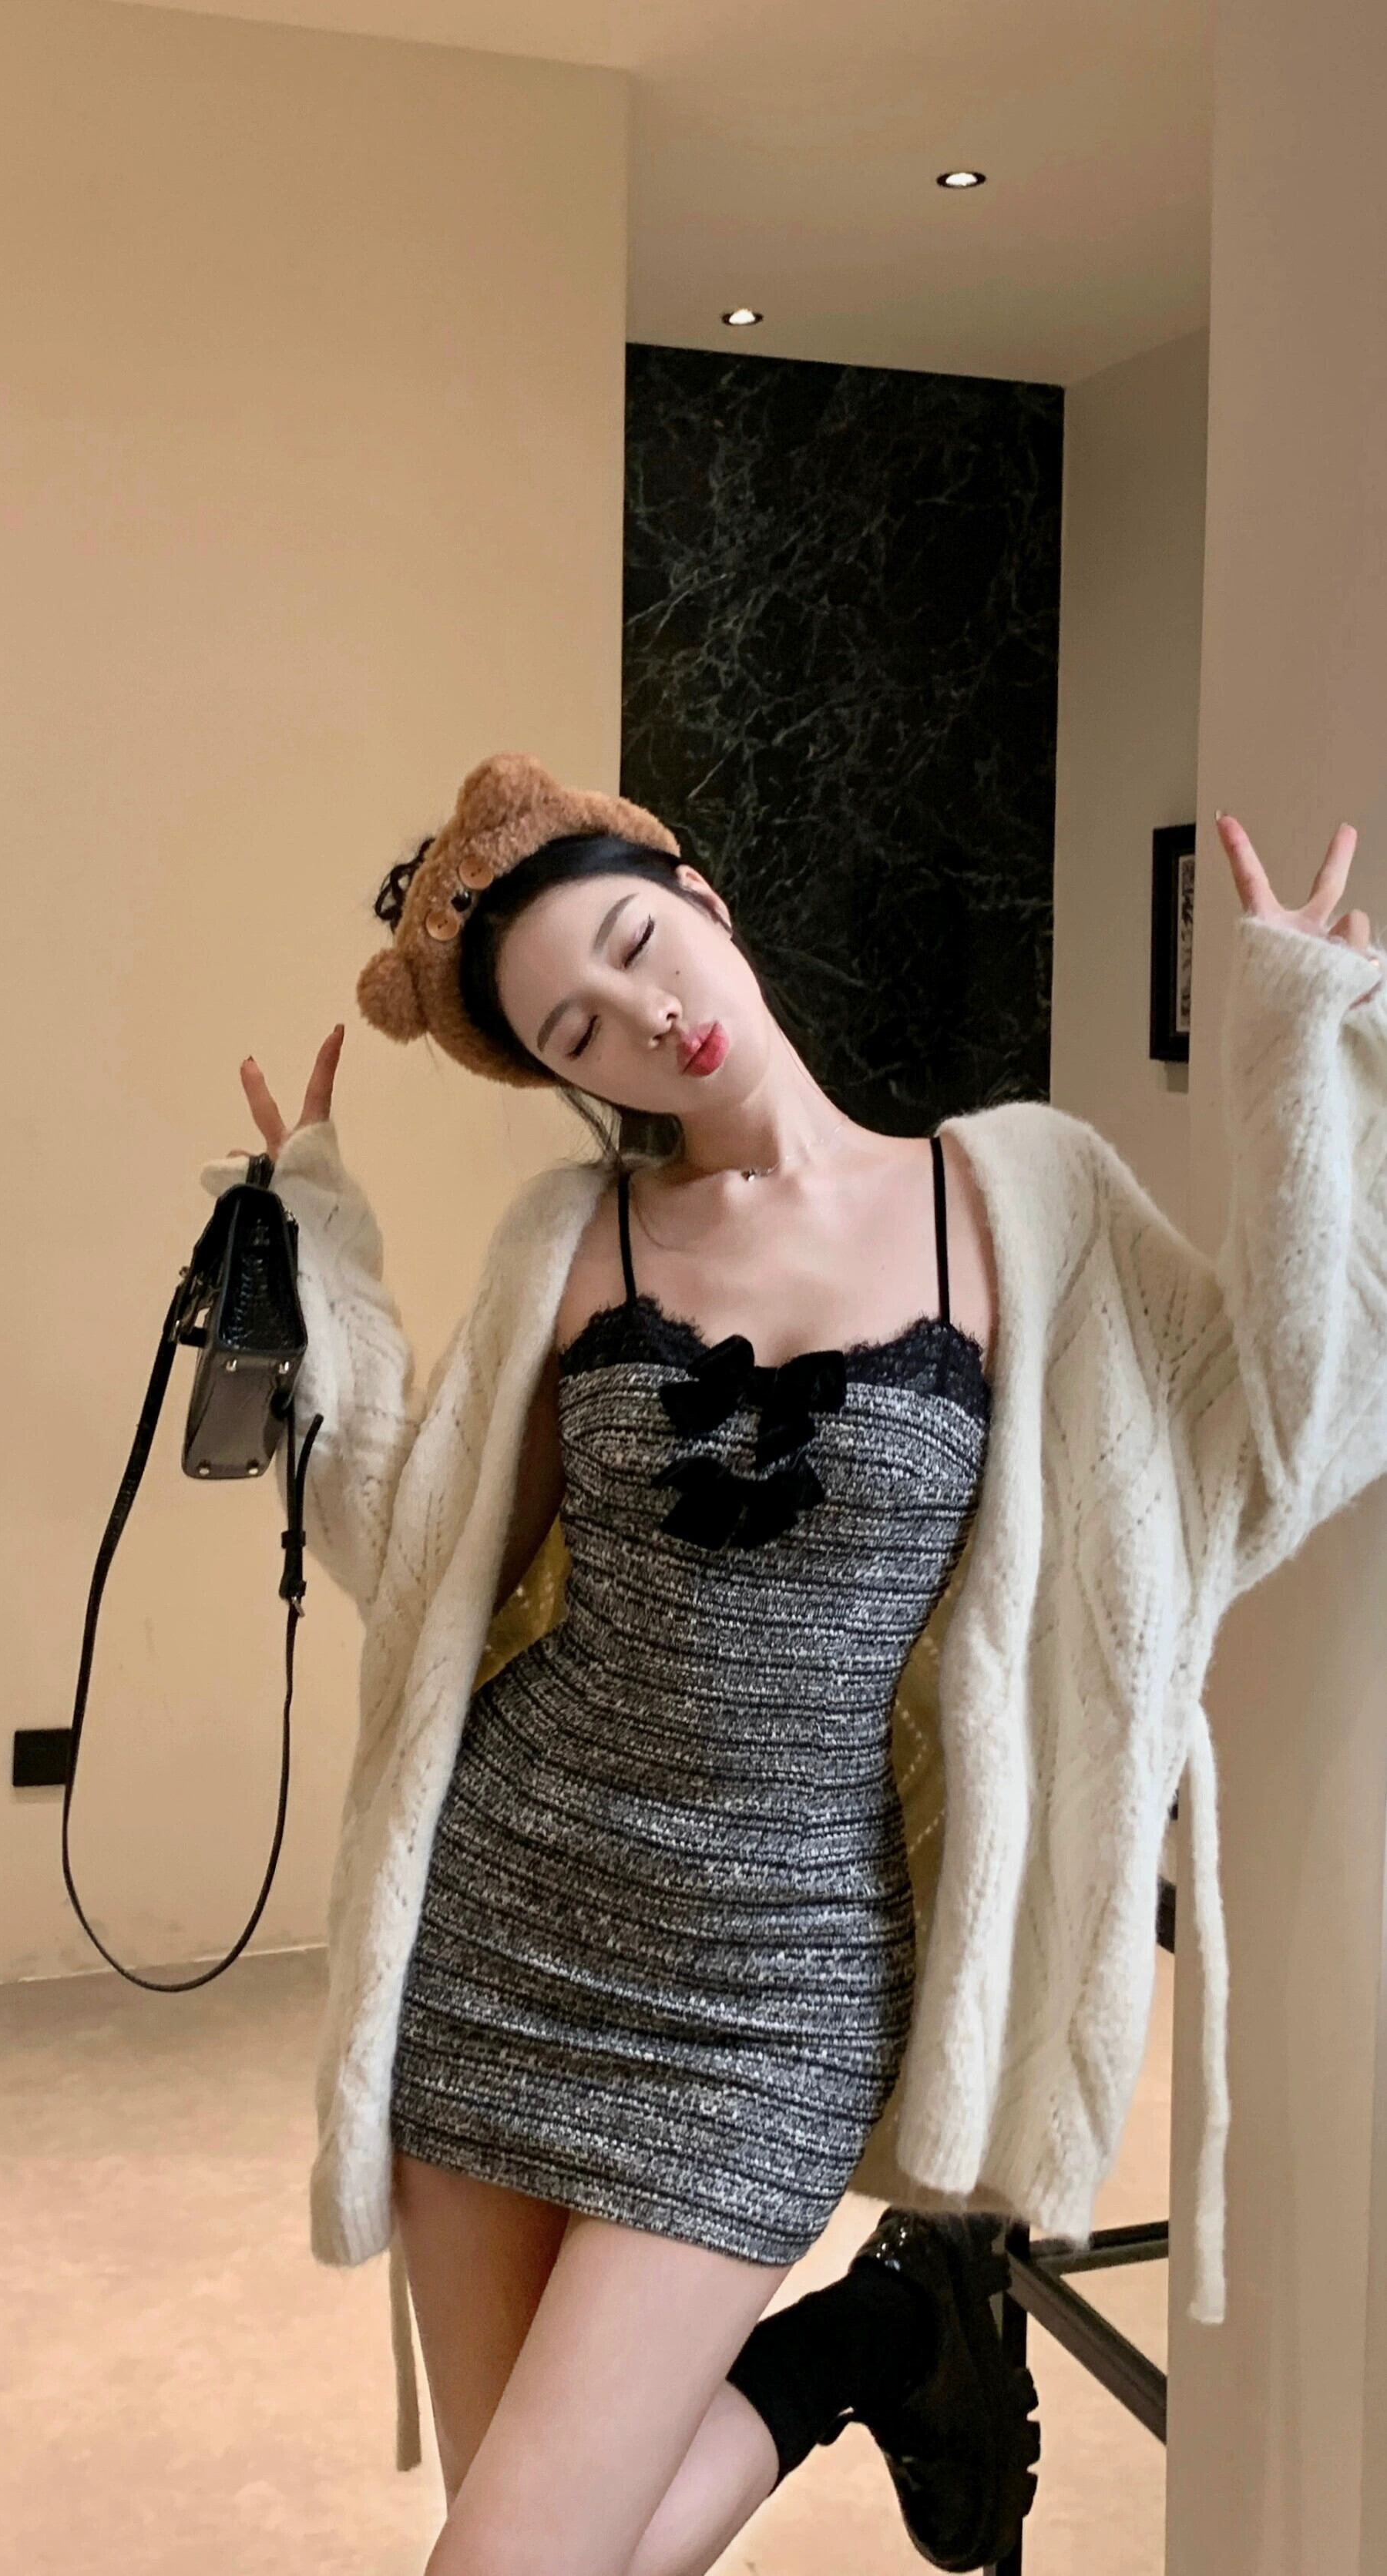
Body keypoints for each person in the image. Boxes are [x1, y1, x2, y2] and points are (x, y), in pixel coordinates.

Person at [205, 751, 1385, 2576]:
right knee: (551, 2545)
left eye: (634, 948)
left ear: (701, 899)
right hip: (505, 1927)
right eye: (579, 1032)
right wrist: (321, 1266)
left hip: (779, 1985)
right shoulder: (573, 1238)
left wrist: (1298, 1057)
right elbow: (423, 1560)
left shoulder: (1020, 1197)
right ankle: (879, 2340)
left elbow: (1276, 1426)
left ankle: (872, 2335)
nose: (642, 1022)